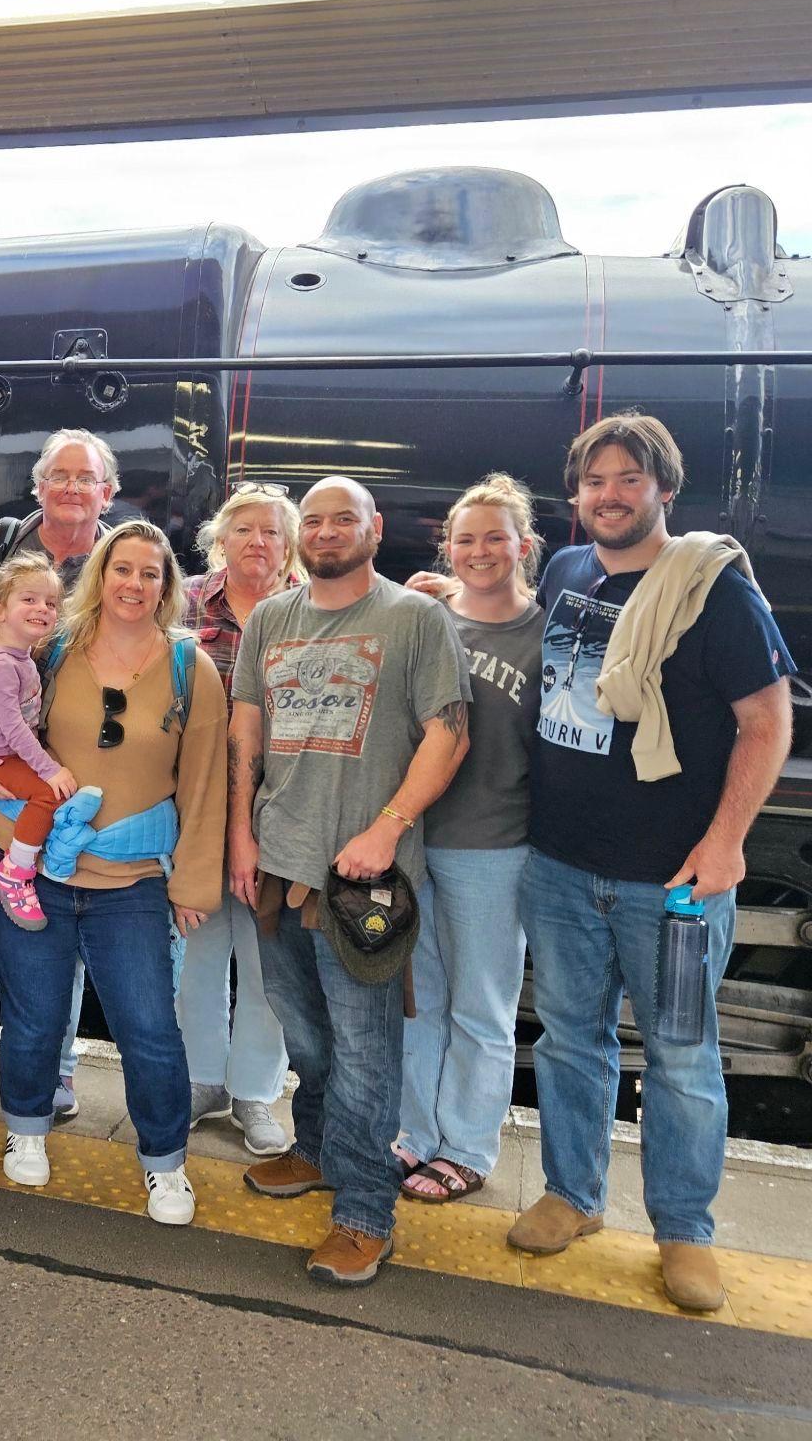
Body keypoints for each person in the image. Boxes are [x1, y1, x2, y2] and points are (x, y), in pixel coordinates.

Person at [506, 412, 793, 1313]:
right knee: (569, 1041)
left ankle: (684, 1231)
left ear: (664, 489)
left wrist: (725, 842)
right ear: (577, 494)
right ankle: (574, 1195)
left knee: (679, 1056)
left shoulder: (713, 590)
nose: (610, 496)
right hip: (559, 864)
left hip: (670, 879)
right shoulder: (564, 570)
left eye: (629, 479)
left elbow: (766, 720)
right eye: (594, 482)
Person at [228, 476, 470, 1286]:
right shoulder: (271, 617)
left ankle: (366, 1214)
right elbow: (247, 729)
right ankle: (318, 1150)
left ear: (374, 529)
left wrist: (388, 827)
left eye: (345, 519)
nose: (328, 532)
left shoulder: (414, 618)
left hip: (366, 880)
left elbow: (449, 734)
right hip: (277, 864)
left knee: (368, 1051)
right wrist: (238, 831)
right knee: (304, 1030)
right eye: (317, 521)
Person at [0, 519, 228, 1226]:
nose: (134, 584)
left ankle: (165, 1165)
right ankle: (27, 1124)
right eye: (122, 569)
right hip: (34, 866)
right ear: (100, 574)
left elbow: (204, 780)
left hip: (132, 878)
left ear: (167, 586)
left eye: (150, 573)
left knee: (147, 1025)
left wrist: (195, 882)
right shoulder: (50, 649)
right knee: (33, 1015)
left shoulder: (187, 667)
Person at [0, 428, 121, 1116]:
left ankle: (58, 1070)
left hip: (74, 786)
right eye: (59, 475)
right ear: (38, 486)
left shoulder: (123, 564)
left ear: (109, 491)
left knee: (59, 933)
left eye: (86, 477)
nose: (72, 488)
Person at [394, 474, 544, 1203]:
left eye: (494, 537)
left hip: (495, 847)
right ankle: (413, 1133)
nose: (480, 551)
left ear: (523, 544)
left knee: (482, 1005)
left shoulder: (545, 634)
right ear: (445, 547)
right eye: (465, 538)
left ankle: (470, 1145)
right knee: (418, 999)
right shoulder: (424, 616)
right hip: (416, 841)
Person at [177, 483, 303, 1158]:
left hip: (279, 811)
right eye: (245, 529)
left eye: (273, 532)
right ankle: (202, 1081)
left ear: (291, 546)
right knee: (198, 950)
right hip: (197, 805)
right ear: (220, 539)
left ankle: (255, 1089)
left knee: (266, 963)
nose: (258, 542)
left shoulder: (310, 608)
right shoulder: (187, 600)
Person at [0, 553, 75, 930]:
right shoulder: (5, 665)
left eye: (51, 603)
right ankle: (16, 870)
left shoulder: (2, 653)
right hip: (0, 758)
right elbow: (13, 729)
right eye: (29, 599)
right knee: (50, 793)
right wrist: (48, 769)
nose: (42, 608)